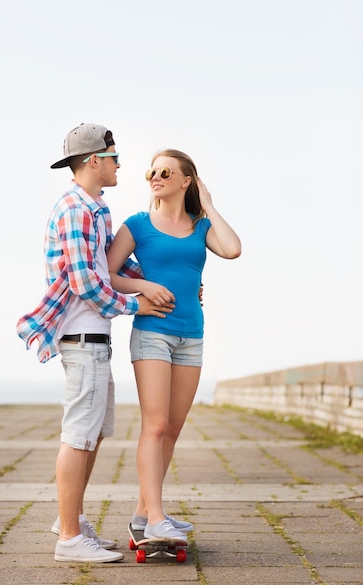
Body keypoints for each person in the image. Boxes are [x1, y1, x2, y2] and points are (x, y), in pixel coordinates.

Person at [16, 123, 174, 563]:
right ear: (93, 161)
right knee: (79, 436)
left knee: (95, 434)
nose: (121, 164)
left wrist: (156, 284)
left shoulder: (96, 207)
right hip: (82, 336)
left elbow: (112, 266)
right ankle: (68, 538)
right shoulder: (75, 209)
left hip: (94, 338)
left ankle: (74, 521)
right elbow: (88, 282)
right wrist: (135, 306)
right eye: (115, 157)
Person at [107, 148, 241, 542]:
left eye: (165, 171)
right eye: (151, 171)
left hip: (191, 335)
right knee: (157, 424)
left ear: (187, 181)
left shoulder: (201, 227)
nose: (155, 176)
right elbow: (107, 274)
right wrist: (143, 285)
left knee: (175, 427)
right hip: (153, 332)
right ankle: (156, 519)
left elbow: (232, 249)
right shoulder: (137, 225)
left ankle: (143, 513)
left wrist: (210, 204)